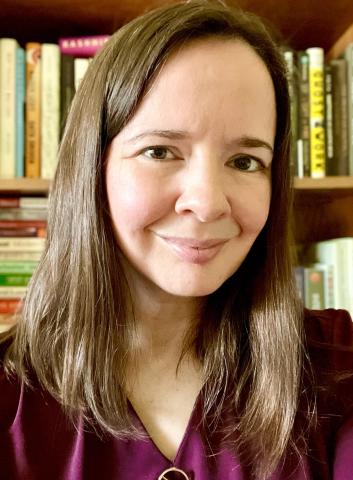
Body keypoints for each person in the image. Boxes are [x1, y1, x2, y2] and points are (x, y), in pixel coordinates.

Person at [1, 1, 353, 479]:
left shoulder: (338, 370)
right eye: (160, 151)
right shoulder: (9, 398)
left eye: (246, 161)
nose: (207, 203)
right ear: (92, 168)